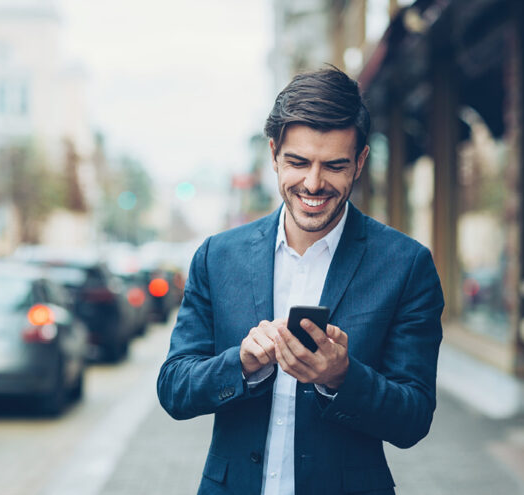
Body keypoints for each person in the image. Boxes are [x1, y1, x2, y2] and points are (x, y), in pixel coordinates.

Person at [157, 66, 444, 495]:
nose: (313, 183)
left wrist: (342, 377)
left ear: (360, 162)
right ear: (274, 154)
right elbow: (174, 387)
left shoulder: (406, 265)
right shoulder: (218, 257)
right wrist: (241, 364)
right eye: (297, 162)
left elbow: (414, 418)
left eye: (333, 165)